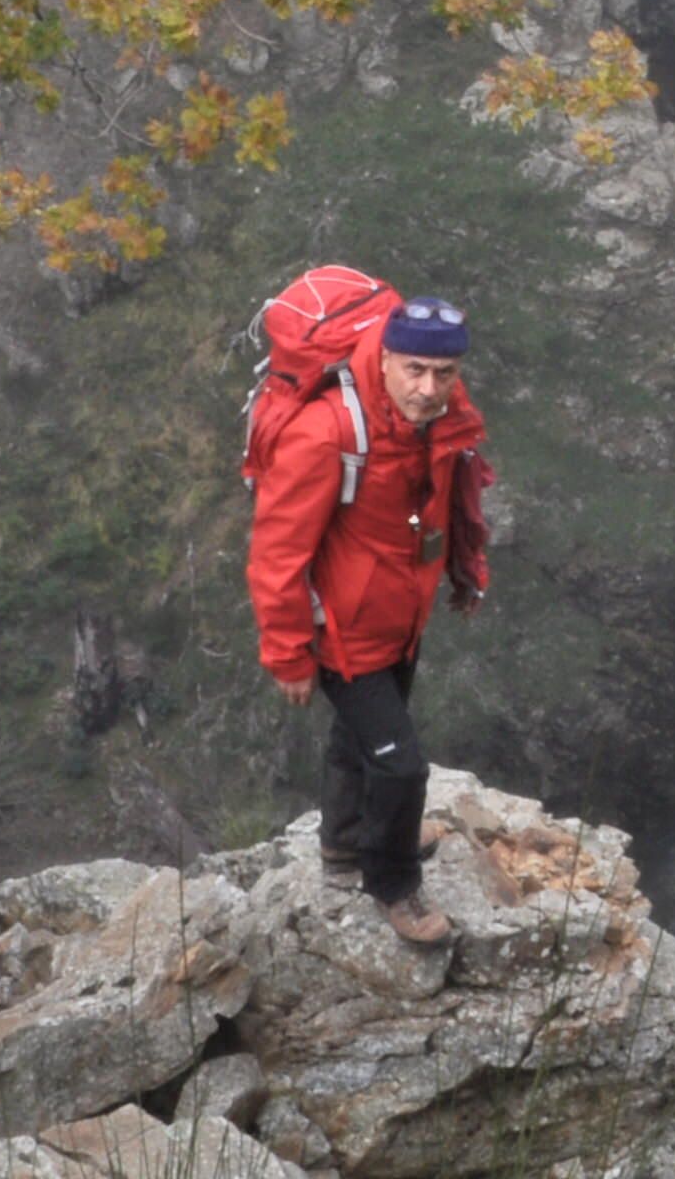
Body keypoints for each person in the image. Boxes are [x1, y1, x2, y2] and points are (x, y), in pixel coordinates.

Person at [245, 291, 491, 944]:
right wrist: (289, 653)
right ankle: (394, 882)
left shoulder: (439, 418)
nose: (429, 387)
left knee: (359, 745)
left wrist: (466, 572)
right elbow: (276, 552)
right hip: (343, 633)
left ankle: (345, 845)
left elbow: (453, 501)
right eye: (414, 369)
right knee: (401, 765)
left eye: (443, 374)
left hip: (399, 615)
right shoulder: (328, 433)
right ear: (382, 361)